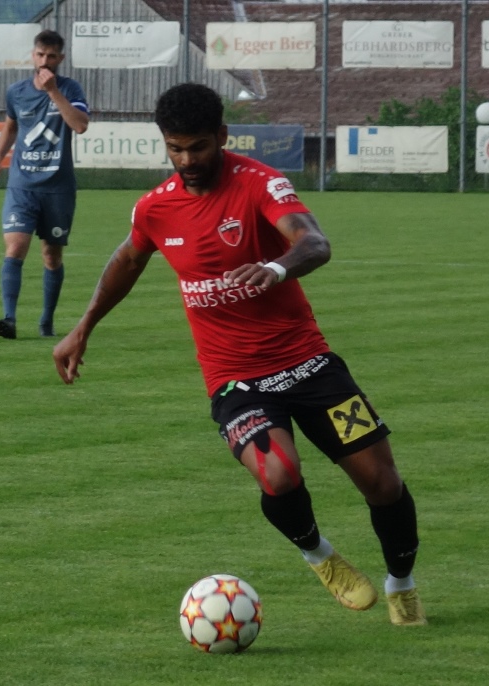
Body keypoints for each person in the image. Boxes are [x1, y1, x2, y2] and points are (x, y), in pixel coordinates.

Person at [53, 83, 426, 626]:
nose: (187, 160)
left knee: (382, 482)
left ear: (222, 136)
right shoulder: (155, 207)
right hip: (236, 379)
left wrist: (276, 267)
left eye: (198, 147)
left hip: (308, 363)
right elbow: (128, 259)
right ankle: (319, 554)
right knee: (278, 473)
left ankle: (402, 584)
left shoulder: (260, 183)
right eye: (175, 148)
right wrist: (83, 326)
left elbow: (315, 242)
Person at [0, 29, 89, 339]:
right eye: (40, 55)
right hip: (22, 185)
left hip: (57, 188)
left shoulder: (70, 89)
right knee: (16, 247)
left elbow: (80, 125)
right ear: (33, 55)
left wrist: (53, 92)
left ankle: (46, 321)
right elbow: (11, 127)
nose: (45, 61)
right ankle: (9, 319)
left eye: (51, 56)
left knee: (51, 256)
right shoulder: (16, 91)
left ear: (61, 58)